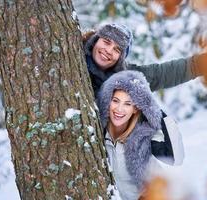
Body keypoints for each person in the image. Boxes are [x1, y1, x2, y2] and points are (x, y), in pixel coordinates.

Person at [83, 23, 197, 165]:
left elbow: (162, 73)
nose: (108, 51)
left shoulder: (124, 78)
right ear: (96, 40)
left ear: (121, 57)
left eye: (117, 49)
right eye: (106, 42)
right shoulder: (73, 56)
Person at [97, 70, 176, 200]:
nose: (119, 109)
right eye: (115, 101)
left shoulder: (141, 143)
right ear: (107, 102)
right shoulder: (98, 137)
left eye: (127, 104)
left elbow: (162, 187)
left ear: (135, 109)